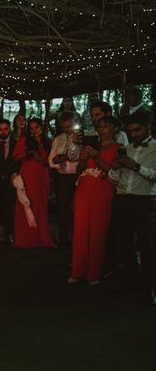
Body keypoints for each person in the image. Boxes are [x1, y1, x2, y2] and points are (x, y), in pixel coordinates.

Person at [108, 110, 156, 306]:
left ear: (149, 127)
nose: (134, 134)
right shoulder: (125, 148)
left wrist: (137, 167)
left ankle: (150, 288)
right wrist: (115, 167)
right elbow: (113, 180)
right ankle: (129, 283)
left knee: (147, 246)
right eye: (131, 131)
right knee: (124, 245)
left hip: (146, 201)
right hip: (122, 200)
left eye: (138, 130)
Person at [68, 115, 121, 285]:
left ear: (115, 129)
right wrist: (83, 159)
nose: (102, 129)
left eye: (106, 126)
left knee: (97, 231)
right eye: (99, 126)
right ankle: (77, 271)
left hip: (103, 189)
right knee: (80, 229)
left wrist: (96, 156)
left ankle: (93, 274)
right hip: (83, 189)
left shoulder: (118, 148)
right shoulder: (91, 144)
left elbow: (113, 173)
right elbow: (78, 169)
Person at [11, 118, 55, 248]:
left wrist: (39, 158)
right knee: (27, 201)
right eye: (31, 128)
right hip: (27, 174)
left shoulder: (48, 142)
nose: (34, 130)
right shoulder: (24, 140)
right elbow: (15, 157)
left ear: (41, 127)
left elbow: (51, 163)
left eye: (36, 127)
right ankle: (26, 237)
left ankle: (40, 236)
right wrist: (26, 154)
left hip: (41, 175)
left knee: (40, 204)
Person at [48, 111, 81, 249]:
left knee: (79, 210)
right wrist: (57, 160)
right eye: (64, 127)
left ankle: (80, 239)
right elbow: (50, 160)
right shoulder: (58, 139)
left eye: (69, 126)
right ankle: (64, 239)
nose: (67, 129)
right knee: (63, 209)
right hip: (62, 177)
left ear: (76, 122)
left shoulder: (83, 137)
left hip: (80, 177)